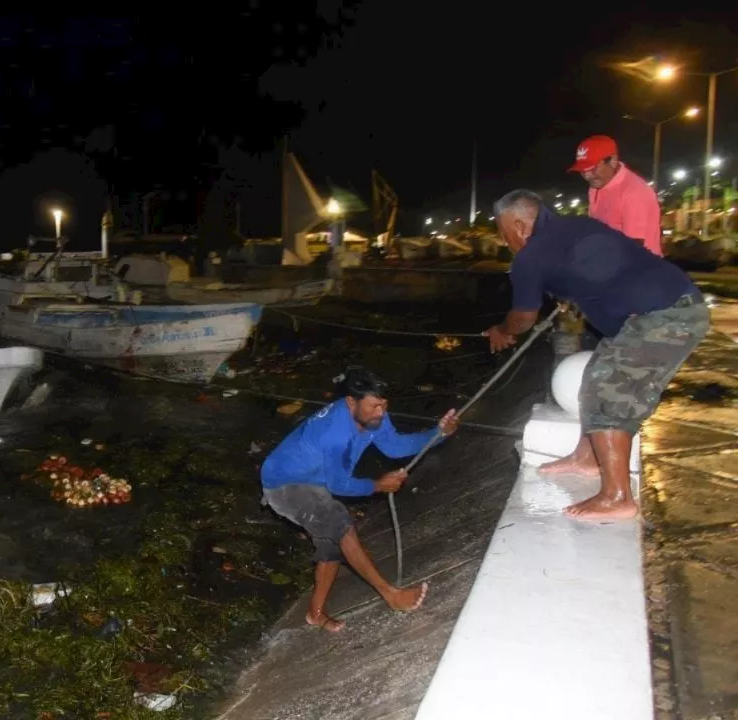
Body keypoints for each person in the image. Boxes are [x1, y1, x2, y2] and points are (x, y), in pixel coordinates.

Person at [484, 189, 709, 520]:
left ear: (518, 226)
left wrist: (502, 331)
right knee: (595, 374)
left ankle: (617, 496)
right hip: (656, 312)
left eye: (504, 236)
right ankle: (586, 457)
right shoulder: (575, 227)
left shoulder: (530, 257)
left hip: (664, 315)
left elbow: (523, 319)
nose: (506, 244)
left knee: (608, 390)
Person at [260, 367, 459, 632]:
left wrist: (438, 433)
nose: (380, 412)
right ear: (351, 402)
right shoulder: (334, 433)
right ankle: (390, 594)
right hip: (284, 484)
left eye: (384, 405)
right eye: (374, 406)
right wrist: (377, 484)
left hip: (314, 480)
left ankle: (315, 613)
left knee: (331, 541)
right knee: (340, 523)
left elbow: (394, 446)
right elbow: (338, 484)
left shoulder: (375, 415)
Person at [569, 134, 663, 255]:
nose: (587, 176)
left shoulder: (634, 192)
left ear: (612, 161)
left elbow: (633, 247)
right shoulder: (596, 187)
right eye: (582, 170)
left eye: (592, 169)